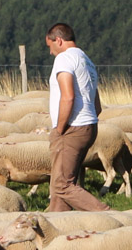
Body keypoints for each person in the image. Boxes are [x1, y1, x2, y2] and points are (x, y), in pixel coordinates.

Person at [44, 22, 108, 212]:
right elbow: (97, 104)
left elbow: (68, 96)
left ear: (59, 40)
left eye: (50, 46)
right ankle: (57, 229)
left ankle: (109, 216)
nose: (51, 52)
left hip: (71, 127)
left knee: (62, 185)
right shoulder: (87, 61)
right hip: (88, 125)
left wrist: (61, 128)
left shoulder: (64, 59)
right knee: (59, 184)